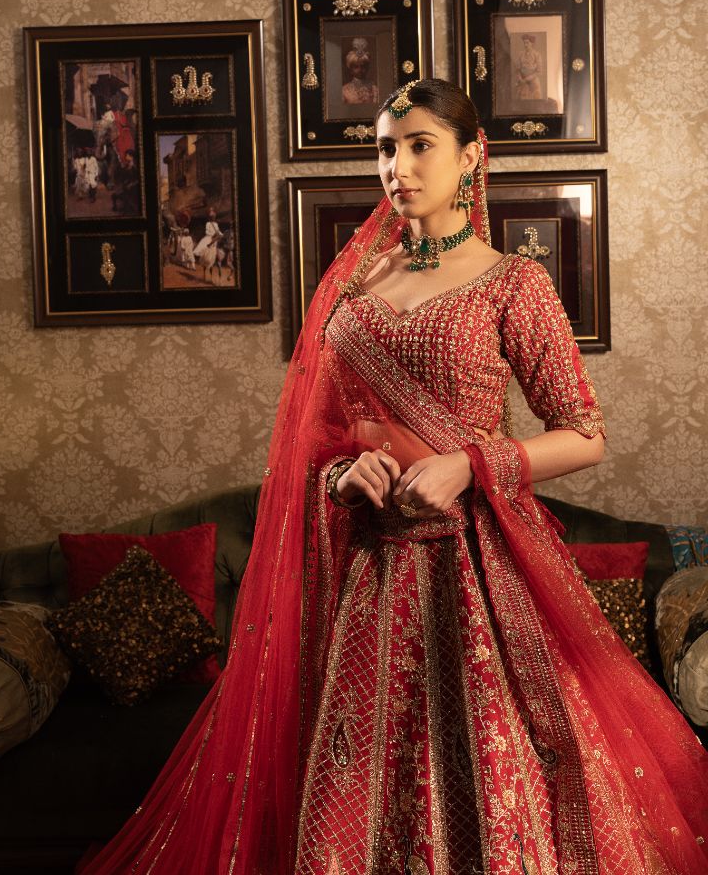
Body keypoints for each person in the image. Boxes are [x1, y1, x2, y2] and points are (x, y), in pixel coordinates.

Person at [81, 80, 708, 874]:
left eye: (420, 146)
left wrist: (469, 464)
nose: (398, 166)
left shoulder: (515, 283)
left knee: (493, 773)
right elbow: (323, 444)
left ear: (471, 157)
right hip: (368, 580)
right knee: (353, 781)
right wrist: (344, 474)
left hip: (477, 574)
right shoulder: (355, 288)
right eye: (385, 148)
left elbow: (584, 435)